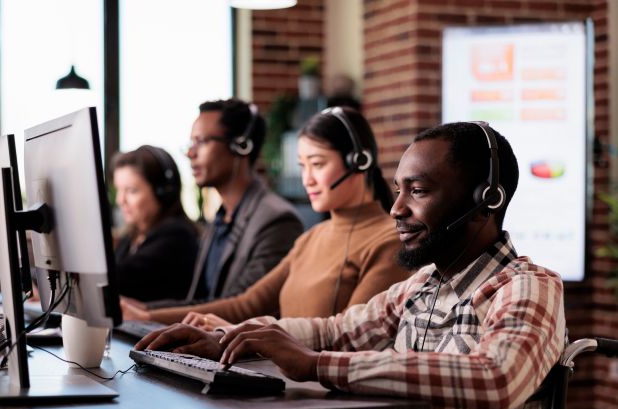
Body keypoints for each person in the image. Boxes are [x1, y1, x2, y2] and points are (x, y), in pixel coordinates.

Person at [130, 122, 566, 409]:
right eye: (398, 190)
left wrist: (317, 365)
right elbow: (337, 331)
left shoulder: (528, 286)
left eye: (418, 191)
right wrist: (230, 340)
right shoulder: (422, 284)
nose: (397, 208)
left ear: (485, 199)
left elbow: (495, 380)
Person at [126, 107, 410, 328]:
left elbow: (347, 333)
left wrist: (246, 333)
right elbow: (246, 304)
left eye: (318, 164)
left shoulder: (388, 241)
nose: (307, 179)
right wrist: (146, 315)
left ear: (359, 161)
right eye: (302, 166)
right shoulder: (311, 238)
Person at [122, 98, 303, 311]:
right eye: (191, 143)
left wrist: (148, 315)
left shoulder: (276, 220)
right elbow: (200, 299)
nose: (190, 153)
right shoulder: (220, 219)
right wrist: (143, 309)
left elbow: (242, 309)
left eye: (201, 142)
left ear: (241, 146)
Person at [112, 145, 198, 302]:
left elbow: (118, 280)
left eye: (131, 191)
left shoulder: (178, 236)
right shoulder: (130, 238)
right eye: (119, 190)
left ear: (163, 191)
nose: (120, 200)